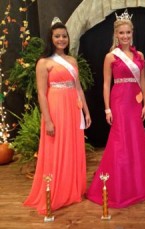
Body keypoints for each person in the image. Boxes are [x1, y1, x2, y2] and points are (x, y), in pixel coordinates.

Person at [86, 9, 145, 208]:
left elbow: (143, 81)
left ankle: (138, 184)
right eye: (121, 33)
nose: (125, 36)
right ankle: (118, 183)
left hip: (135, 100)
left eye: (128, 33)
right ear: (116, 35)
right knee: (120, 140)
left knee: (136, 139)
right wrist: (107, 109)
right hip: (119, 100)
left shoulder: (139, 55)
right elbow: (106, 84)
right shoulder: (111, 57)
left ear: (132, 34)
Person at [24, 17, 91, 214]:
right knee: (57, 148)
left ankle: (72, 188)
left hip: (73, 108)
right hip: (56, 108)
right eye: (57, 36)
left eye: (64, 36)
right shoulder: (44, 63)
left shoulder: (72, 60)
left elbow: (78, 88)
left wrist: (86, 111)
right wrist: (48, 120)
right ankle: (56, 190)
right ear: (50, 38)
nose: (61, 39)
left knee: (72, 146)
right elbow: (41, 94)